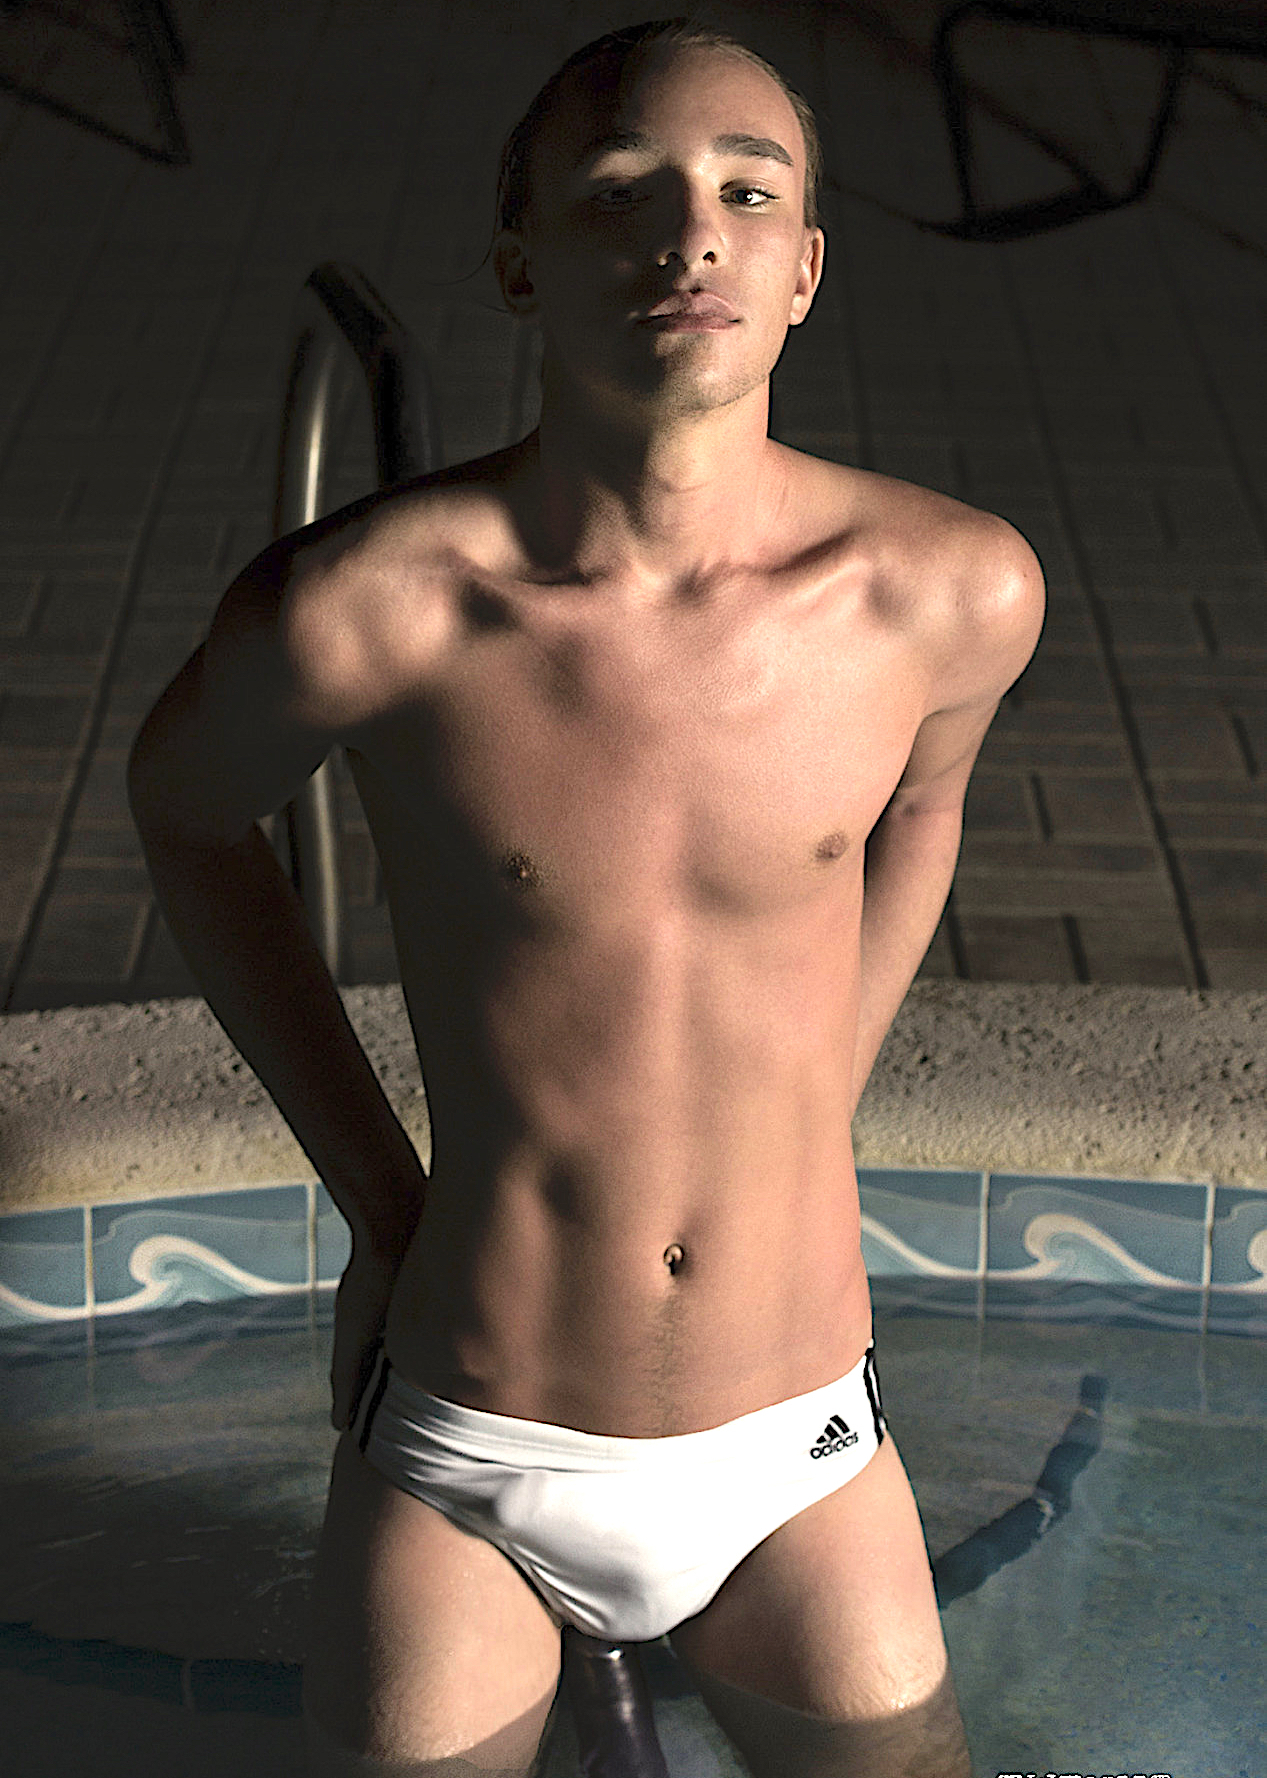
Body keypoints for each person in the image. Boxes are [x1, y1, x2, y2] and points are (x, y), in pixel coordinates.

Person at [127, 16, 1044, 1776]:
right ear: (520, 265)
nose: (692, 234)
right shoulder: (377, 612)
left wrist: (820, 1098)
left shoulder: (950, 593)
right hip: (476, 1440)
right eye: (624, 191)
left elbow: (924, 807)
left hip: (798, 1447)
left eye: (746, 192)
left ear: (804, 269)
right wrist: (378, 1201)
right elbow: (185, 814)